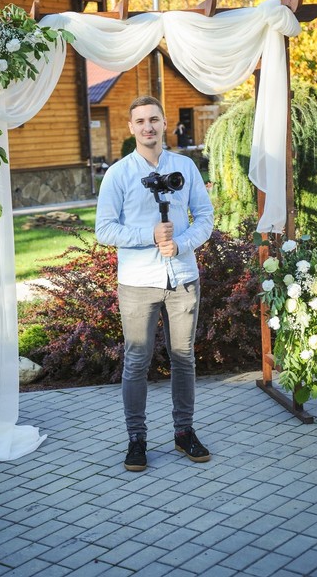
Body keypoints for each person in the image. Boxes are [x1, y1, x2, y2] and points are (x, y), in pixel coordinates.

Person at [95, 95, 214, 472]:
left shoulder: (184, 167)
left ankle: (184, 432)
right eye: (141, 121)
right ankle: (137, 439)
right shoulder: (118, 174)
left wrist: (180, 243)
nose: (148, 126)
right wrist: (149, 236)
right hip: (137, 282)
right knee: (136, 361)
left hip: (182, 278)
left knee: (183, 358)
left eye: (154, 119)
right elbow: (104, 229)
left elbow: (205, 217)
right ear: (131, 127)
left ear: (164, 124)